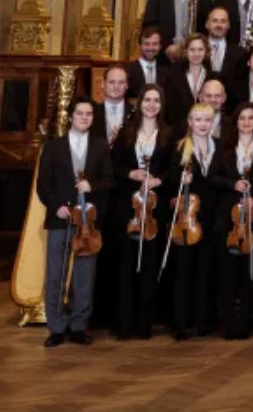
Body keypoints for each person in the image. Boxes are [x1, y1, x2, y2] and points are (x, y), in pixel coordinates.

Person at [39, 96, 112, 347]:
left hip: (87, 222)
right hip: (60, 218)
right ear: (71, 116)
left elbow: (109, 179)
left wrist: (92, 185)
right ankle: (56, 327)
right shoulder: (53, 146)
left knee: (84, 275)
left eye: (89, 114)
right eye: (80, 113)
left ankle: (79, 325)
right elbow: (43, 185)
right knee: (56, 275)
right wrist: (56, 207)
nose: (84, 118)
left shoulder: (100, 146)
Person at [113, 85, 172, 340]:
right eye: (147, 99)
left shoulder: (169, 134)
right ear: (140, 103)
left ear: (161, 104)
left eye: (156, 100)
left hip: (155, 209)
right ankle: (124, 323)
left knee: (150, 266)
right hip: (129, 207)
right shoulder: (127, 132)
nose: (151, 104)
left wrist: (159, 180)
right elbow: (113, 166)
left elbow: (174, 169)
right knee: (126, 266)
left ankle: (144, 323)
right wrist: (130, 173)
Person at [217, 102, 253, 339]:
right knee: (228, 271)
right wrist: (233, 184)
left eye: (251, 118)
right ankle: (228, 321)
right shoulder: (224, 145)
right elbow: (214, 177)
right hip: (229, 216)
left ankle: (247, 320)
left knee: (251, 269)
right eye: (242, 118)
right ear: (236, 121)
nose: (246, 122)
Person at [166, 103, 220, 340]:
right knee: (183, 271)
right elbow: (169, 180)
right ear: (189, 122)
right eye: (198, 120)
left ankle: (203, 321)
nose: (203, 124)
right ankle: (180, 323)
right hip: (187, 218)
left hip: (211, 217)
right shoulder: (180, 148)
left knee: (205, 271)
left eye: (207, 120)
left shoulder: (220, 147)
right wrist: (181, 179)